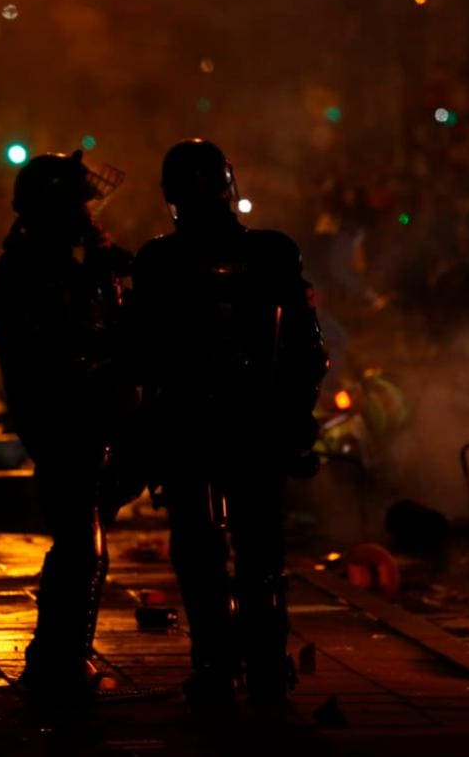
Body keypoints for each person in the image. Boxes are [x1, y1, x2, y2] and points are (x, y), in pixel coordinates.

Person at [133, 139, 328, 707]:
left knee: (198, 552)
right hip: (253, 425)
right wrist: (295, 421)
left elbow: (142, 353)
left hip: (191, 426)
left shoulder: (157, 261)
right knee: (259, 550)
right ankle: (267, 665)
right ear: (227, 185)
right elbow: (306, 351)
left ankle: (217, 665)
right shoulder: (272, 253)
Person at [0, 151, 135, 701]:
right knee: (79, 543)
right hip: (60, 415)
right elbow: (61, 346)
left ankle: (65, 655)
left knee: (85, 538)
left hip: (84, 414)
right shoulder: (27, 271)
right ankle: (57, 661)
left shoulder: (51, 262)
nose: (89, 212)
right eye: (78, 203)